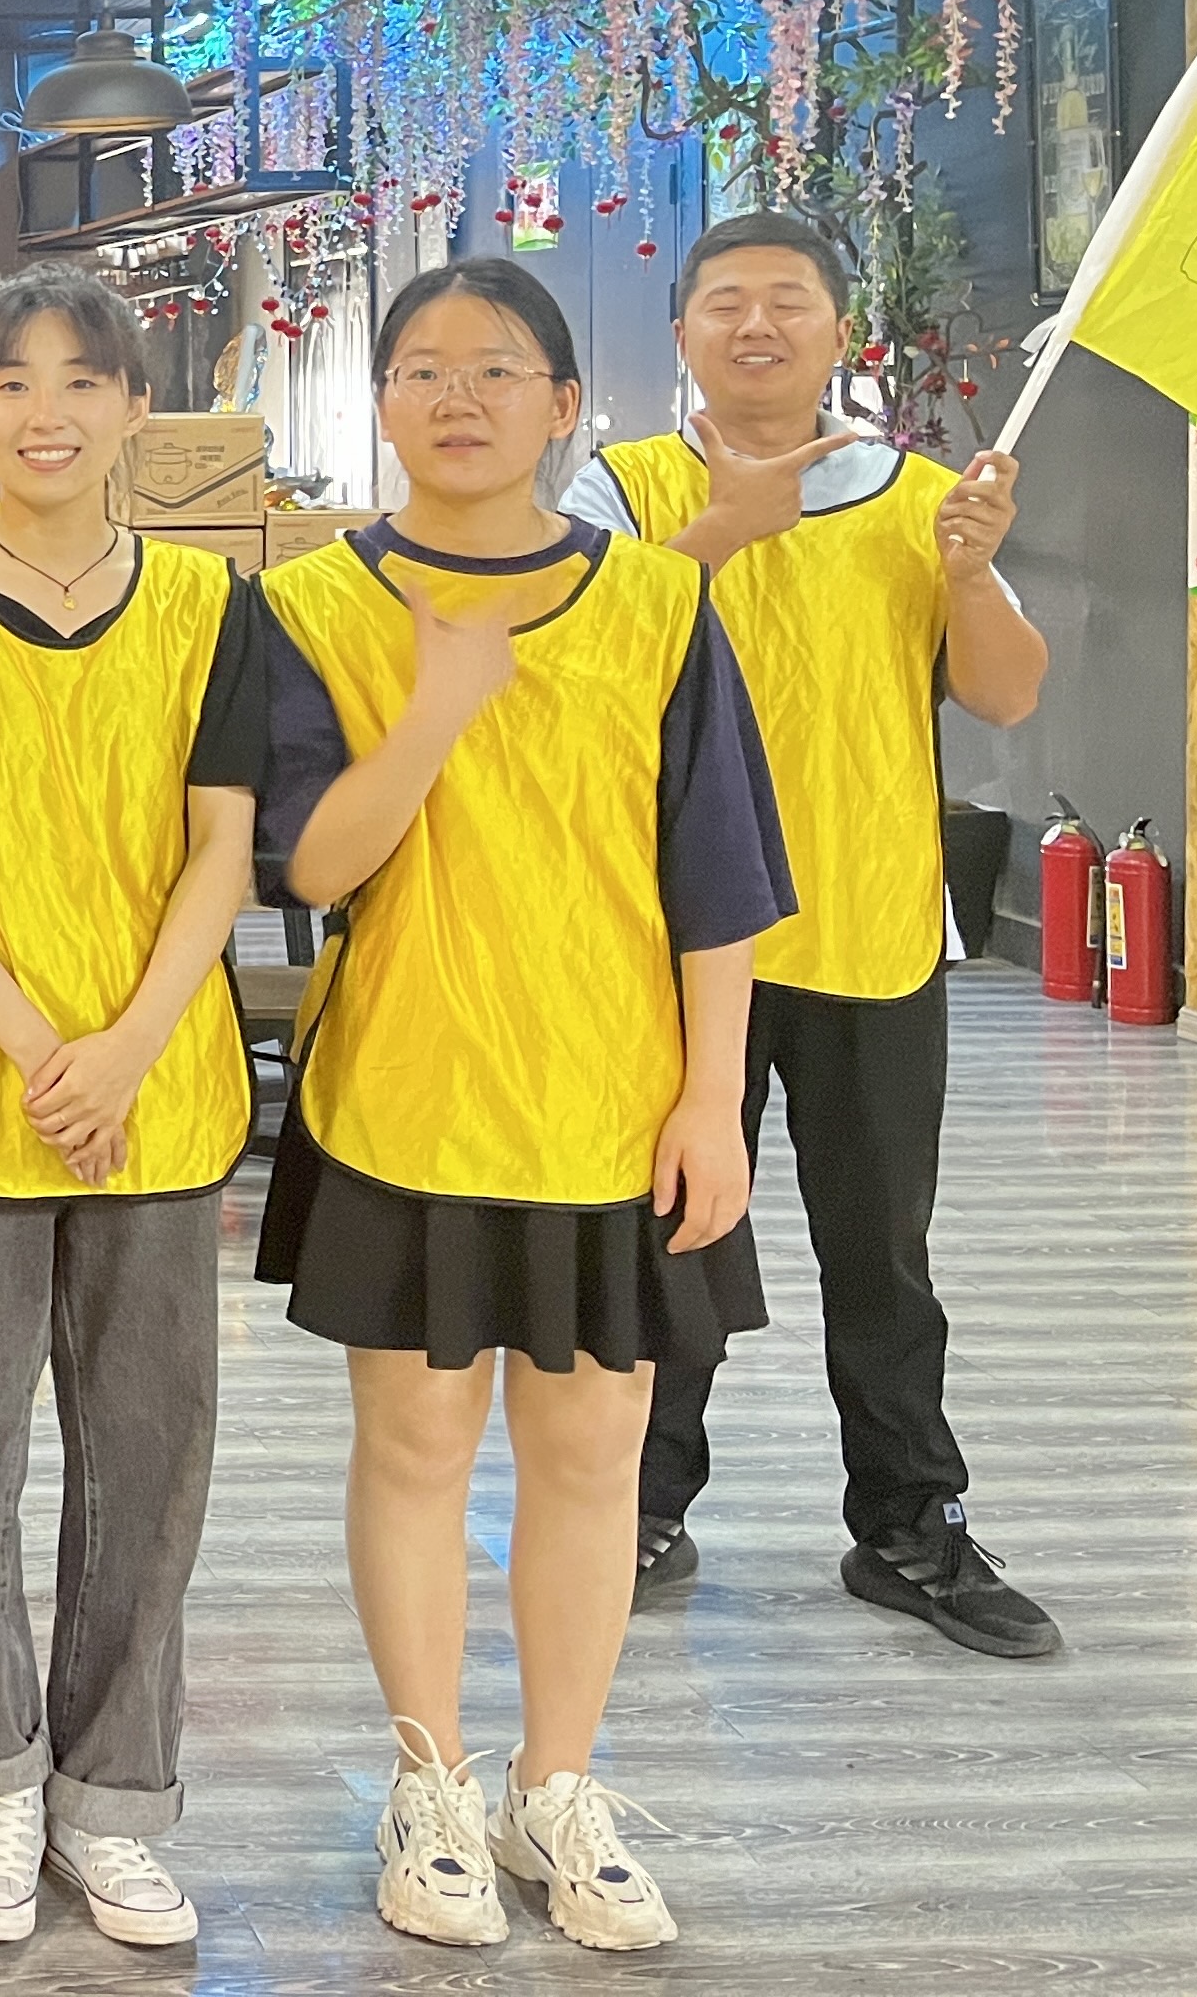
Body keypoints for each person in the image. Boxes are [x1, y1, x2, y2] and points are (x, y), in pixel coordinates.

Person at [258, 254, 782, 1956]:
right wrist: (436, 709)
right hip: (403, 1091)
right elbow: (311, 865)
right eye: (422, 368)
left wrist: (715, 1098)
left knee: (592, 1450)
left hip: (611, 1102)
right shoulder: (310, 606)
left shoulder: (657, 605)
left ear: (564, 406)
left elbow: (718, 878)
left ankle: (558, 1786)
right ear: (381, 404)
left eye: (497, 369)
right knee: (414, 1449)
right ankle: (430, 1785)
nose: (458, 397)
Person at [564, 210, 1059, 1657]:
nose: (757, 324)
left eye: (788, 300)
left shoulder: (928, 502)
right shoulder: (625, 486)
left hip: (871, 932)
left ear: (841, 330)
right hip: (670, 947)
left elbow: (1009, 694)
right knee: (666, 1241)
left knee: (882, 1255)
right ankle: (640, 1503)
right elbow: (581, 667)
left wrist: (968, 573)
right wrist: (726, 530)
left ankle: (910, 1522)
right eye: (726, 301)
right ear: (683, 334)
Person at [0, 265, 261, 1951]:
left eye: (83, 380)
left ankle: (116, 1799)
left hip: (158, 1086)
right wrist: (38, 1047)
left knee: (150, 1451)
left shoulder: (209, 603)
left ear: (136, 407)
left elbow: (224, 848)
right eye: (9, 382)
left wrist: (128, 1046)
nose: (46, 411)